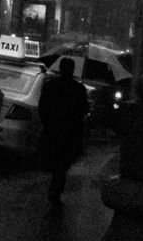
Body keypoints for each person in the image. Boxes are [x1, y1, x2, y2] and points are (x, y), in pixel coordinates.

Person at [38, 56, 90, 207]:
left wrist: (48, 123)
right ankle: (56, 189)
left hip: (54, 130)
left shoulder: (50, 86)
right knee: (63, 164)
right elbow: (84, 109)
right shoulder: (78, 89)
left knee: (57, 162)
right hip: (70, 132)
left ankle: (55, 188)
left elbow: (43, 107)